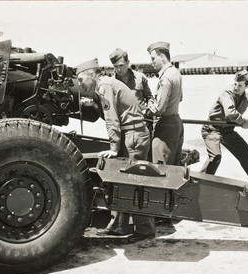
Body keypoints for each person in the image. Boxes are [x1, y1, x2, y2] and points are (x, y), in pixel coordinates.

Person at [75, 58, 156, 240]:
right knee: (120, 181)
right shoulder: (105, 84)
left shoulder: (104, 86)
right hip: (131, 134)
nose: (79, 84)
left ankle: (145, 229)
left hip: (133, 136)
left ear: (91, 75)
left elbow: (112, 119)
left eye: (81, 80)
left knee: (134, 182)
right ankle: (118, 227)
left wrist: (113, 147)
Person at [200, 70, 248, 184]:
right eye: (235, 84)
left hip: (227, 131)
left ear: (246, 86)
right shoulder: (227, 93)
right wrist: (243, 121)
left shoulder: (247, 97)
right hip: (212, 129)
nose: (236, 87)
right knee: (215, 157)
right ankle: (200, 181)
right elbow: (230, 113)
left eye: (240, 85)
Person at [144, 41, 184, 166]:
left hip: (165, 126)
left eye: (153, 58)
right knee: (175, 168)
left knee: (161, 169)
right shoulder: (176, 73)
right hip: (176, 123)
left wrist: (145, 111)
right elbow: (180, 98)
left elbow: (159, 108)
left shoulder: (165, 78)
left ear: (162, 56)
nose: (152, 62)